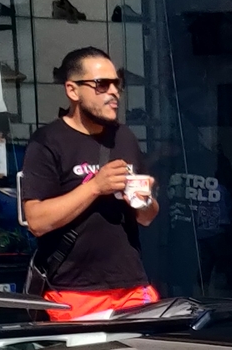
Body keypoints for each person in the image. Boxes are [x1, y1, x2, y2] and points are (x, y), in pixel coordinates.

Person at [19, 46, 160, 319]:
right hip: (73, 292)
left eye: (116, 84)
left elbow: (148, 217)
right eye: (101, 84)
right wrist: (95, 186)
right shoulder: (47, 142)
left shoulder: (125, 138)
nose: (114, 92)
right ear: (73, 90)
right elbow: (36, 220)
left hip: (131, 286)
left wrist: (142, 200)